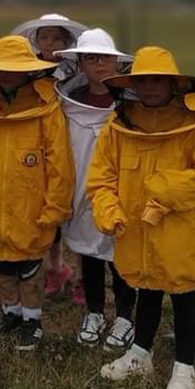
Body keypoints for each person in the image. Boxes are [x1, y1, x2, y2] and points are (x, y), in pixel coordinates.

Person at [88, 46, 195, 389]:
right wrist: (107, 209)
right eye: (143, 80)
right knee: (145, 288)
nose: (150, 87)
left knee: (184, 294)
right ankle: (140, 354)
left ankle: (185, 366)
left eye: (157, 81)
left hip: (182, 227)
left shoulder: (193, 125)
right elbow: (101, 177)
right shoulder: (118, 125)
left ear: (174, 85)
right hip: (136, 228)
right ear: (132, 85)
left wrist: (164, 189)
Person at [0, 35, 74, 352]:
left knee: (30, 266)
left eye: (13, 68)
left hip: (31, 205)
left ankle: (32, 320)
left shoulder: (47, 109)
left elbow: (59, 163)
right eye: (0, 69)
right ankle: (11, 313)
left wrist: (53, 210)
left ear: (28, 71)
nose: (6, 74)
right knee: (2, 264)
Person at [52, 29, 138, 351]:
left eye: (103, 57)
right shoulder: (69, 103)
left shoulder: (135, 101)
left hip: (122, 188)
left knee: (121, 256)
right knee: (88, 254)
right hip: (80, 188)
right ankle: (95, 312)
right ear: (81, 63)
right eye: (90, 57)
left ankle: (126, 316)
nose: (98, 63)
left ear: (116, 60)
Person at [11, 13, 89, 304]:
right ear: (36, 40)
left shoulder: (77, 72)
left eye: (57, 38)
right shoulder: (29, 71)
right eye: (44, 37)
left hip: (73, 142)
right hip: (42, 145)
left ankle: (83, 276)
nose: (50, 43)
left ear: (68, 41)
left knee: (78, 208)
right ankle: (57, 269)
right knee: (47, 210)